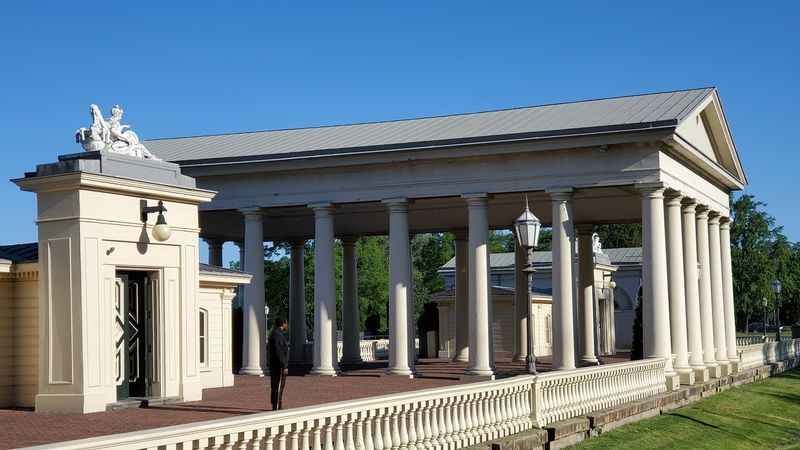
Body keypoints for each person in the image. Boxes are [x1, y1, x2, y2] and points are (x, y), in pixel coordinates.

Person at [267, 317, 289, 410]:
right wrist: (284, 366)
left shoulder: (275, 333)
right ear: (283, 324)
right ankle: (276, 404)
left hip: (274, 363)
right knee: (278, 385)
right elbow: (279, 351)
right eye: (286, 323)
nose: (287, 325)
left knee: (275, 385)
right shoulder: (278, 334)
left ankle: (276, 403)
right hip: (278, 365)